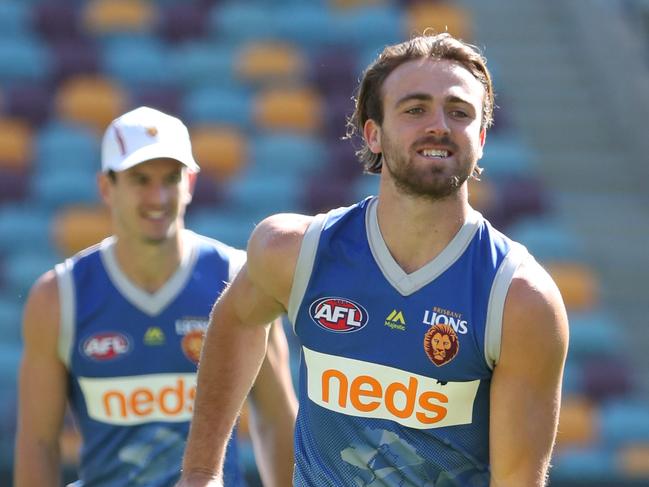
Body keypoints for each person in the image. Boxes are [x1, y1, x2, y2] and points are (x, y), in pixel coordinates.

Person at [177, 32, 569, 487]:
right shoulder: (297, 251)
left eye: (459, 112)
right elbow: (239, 321)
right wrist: (201, 472)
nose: (438, 125)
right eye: (415, 109)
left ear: (480, 138)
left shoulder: (521, 300)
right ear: (373, 133)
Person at [14, 106, 297, 487]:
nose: (158, 195)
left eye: (171, 177)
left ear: (191, 182)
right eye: (140, 179)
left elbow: (276, 419)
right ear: (105, 187)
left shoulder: (239, 279)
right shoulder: (58, 296)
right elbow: (38, 442)